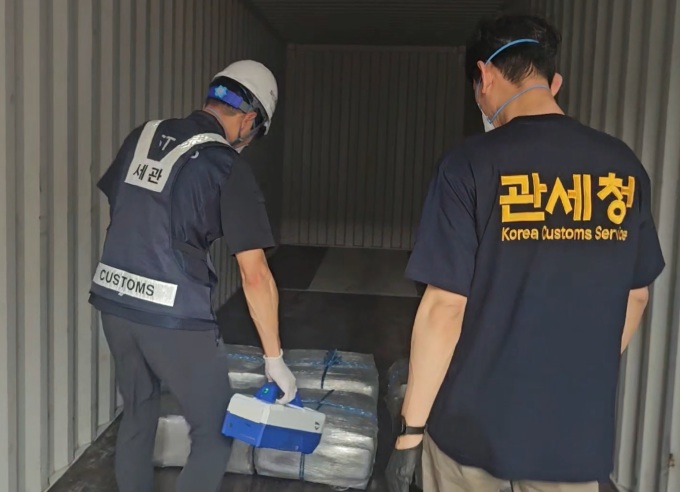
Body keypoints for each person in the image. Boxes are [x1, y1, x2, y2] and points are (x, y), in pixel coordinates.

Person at [386, 14, 665, 492]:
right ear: (554, 83)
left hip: (470, 429)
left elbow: (445, 309)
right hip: (572, 436)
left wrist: (410, 433)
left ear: (485, 76)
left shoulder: (469, 165)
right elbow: (635, 295)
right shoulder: (623, 167)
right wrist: (578, 370)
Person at [89, 60, 298, 492]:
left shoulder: (143, 135)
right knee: (215, 433)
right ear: (249, 121)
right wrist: (274, 358)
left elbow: (128, 208)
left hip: (113, 302)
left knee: (138, 413)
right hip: (173, 316)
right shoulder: (226, 164)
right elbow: (255, 274)